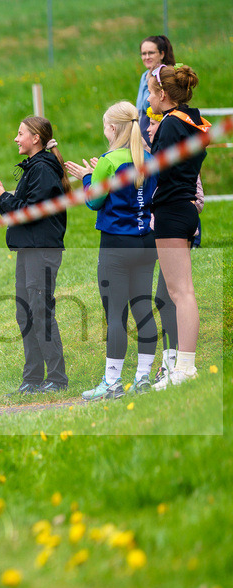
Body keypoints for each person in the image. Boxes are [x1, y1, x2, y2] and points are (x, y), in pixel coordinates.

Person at [63, 101, 157, 401]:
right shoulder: (150, 157)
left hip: (117, 244)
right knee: (143, 307)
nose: (105, 132)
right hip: (146, 242)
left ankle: (112, 382)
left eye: (105, 126)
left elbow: (93, 200)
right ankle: (143, 377)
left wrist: (88, 177)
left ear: (113, 128)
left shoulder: (109, 159)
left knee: (116, 313)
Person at [0, 116, 69, 395]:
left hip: (41, 250)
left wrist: (3, 197)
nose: (16, 139)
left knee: (40, 312)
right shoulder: (34, 169)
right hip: (28, 250)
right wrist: (3, 197)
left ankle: (57, 379)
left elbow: (30, 212)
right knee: (25, 312)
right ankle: (32, 379)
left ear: (36, 139)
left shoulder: (42, 169)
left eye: (20, 134)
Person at [146, 64, 208, 389]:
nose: (150, 100)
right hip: (185, 208)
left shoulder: (170, 124)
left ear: (165, 95)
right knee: (181, 291)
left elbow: (156, 171)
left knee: (180, 292)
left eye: (152, 93)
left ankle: (185, 367)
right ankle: (182, 366)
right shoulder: (190, 121)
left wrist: (147, 151)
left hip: (171, 210)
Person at [135, 36, 175, 142]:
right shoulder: (145, 75)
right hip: (143, 134)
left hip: (157, 134)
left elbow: (147, 105)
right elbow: (139, 107)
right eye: (144, 54)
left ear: (162, 54)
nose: (147, 57)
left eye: (151, 53)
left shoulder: (165, 76)